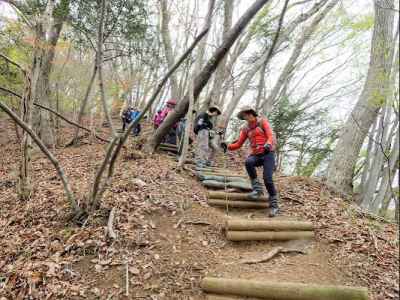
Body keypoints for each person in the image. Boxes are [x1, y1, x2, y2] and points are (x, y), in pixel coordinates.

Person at [221, 106, 279, 217]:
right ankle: (257, 189)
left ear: (250, 113)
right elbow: (238, 144)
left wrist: (268, 144)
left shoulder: (262, 122)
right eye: (243, 116)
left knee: (268, 179)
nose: (244, 118)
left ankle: (274, 206)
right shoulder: (246, 128)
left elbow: (270, 135)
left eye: (245, 115)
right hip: (256, 154)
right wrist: (228, 146)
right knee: (248, 162)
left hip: (268, 153)